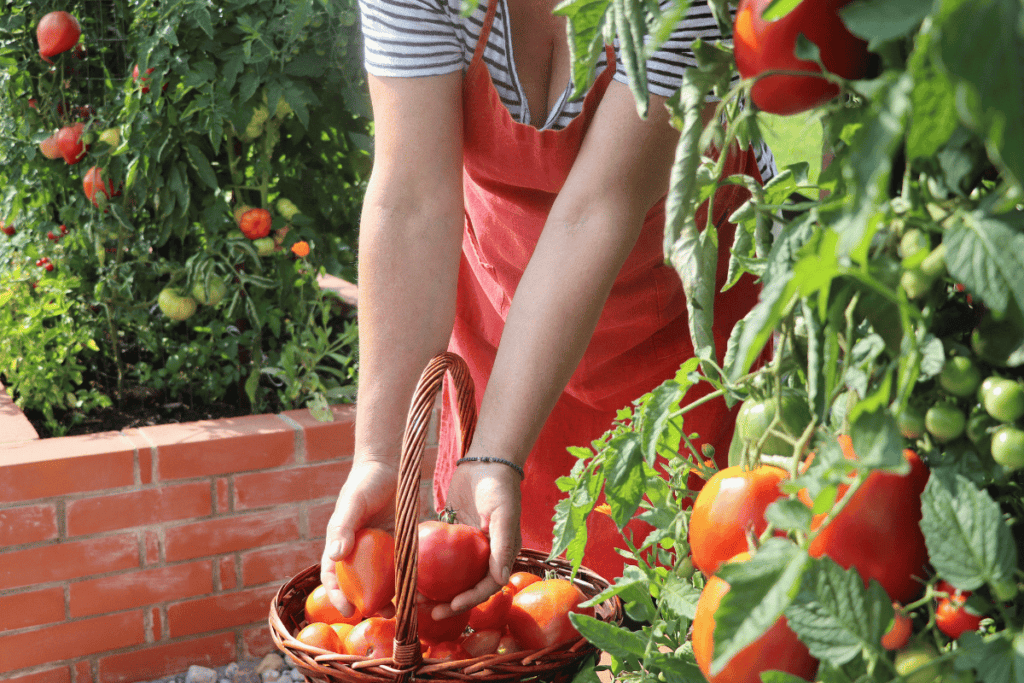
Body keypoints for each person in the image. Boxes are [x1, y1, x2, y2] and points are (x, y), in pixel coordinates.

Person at [321, 0, 776, 621]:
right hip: (507, 337)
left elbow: (598, 208)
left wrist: (494, 452)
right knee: (522, 616)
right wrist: (381, 457)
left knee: (688, 611)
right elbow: (411, 202)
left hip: (687, 345)